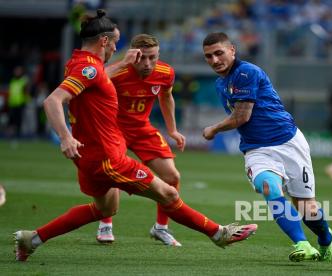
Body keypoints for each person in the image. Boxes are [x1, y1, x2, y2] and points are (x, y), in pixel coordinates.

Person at [14, 10, 257, 262]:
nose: (118, 48)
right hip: (107, 157)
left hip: (90, 154)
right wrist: (65, 136)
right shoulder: (89, 69)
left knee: (106, 207)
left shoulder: (80, 63)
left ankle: (32, 239)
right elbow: (53, 100)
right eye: (116, 42)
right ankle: (219, 234)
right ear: (104, 41)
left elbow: (97, 79)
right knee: (169, 194)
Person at [202, 32, 332, 262]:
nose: (214, 60)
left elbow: (241, 116)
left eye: (219, 53)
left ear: (232, 50)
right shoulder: (221, 82)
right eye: (208, 56)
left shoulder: (246, 72)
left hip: (289, 142)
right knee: (269, 188)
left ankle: (325, 238)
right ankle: (302, 244)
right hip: (257, 149)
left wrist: (213, 129)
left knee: (306, 209)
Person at [95, 34, 186, 246]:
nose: (147, 64)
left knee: (172, 176)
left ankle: (161, 228)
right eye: (142, 58)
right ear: (133, 55)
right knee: (110, 172)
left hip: (142, 129)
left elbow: (166, 97)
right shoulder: (118, 72)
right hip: (113, 129)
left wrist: (172, 130)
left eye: (152, 57)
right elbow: (92, 81)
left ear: (158, 54)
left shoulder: (166, 73)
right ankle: (105, 223)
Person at [7, 65, 29, 138]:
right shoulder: (12, 80)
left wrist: (26, 100)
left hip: (20, 103)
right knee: (11, 121)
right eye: (16, 70)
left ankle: (18, 136)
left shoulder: (23, 80)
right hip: (12, 103)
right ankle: (11, 136)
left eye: (18, 70)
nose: (17, 72)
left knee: (19, 121)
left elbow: (26, 91)